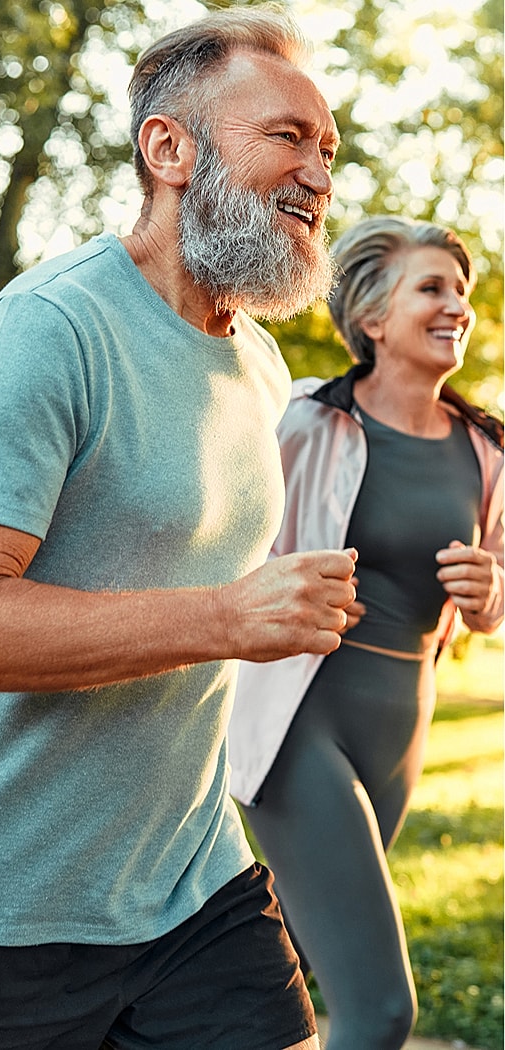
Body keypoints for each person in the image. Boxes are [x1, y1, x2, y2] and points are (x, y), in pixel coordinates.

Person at [0, 6, 358, 1049]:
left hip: (191, 883)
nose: (319, 175)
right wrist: (223, 617)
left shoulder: (254, 364)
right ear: (168, 148)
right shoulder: (49, 335)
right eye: (287, 137)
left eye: (330, 150)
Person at [229, 215, 504, 1050]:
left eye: (462, 291)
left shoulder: (487, 449)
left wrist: (491, 591)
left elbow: (497, 592)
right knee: (380, 1007)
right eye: (432, 287)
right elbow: (227, 543)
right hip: (300, 720)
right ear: (373, 318)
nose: (457, 303)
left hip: (400, 725)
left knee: (290, 974)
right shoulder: (305, 419)